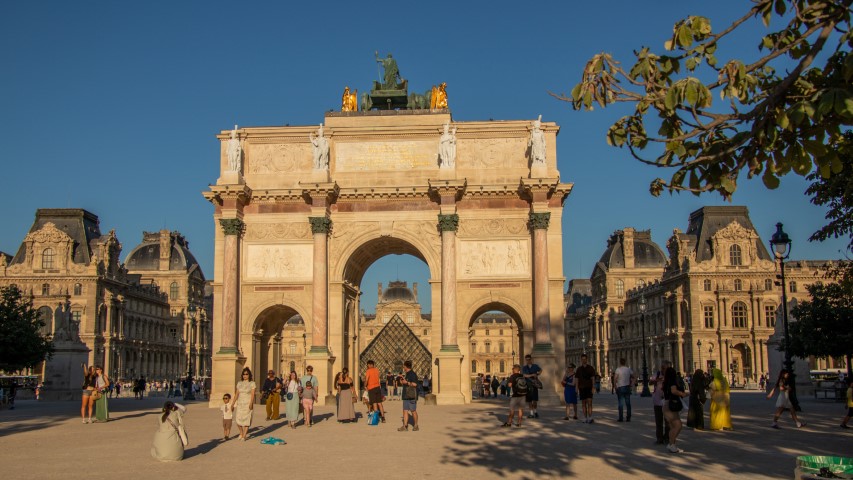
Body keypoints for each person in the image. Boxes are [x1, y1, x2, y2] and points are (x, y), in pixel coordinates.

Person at [663, 363, 688, 453]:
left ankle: (672, 444)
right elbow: (674, 391)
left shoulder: (665, 382)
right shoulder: (672, 381)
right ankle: (671, 444)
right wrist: (682, 394)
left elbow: (663, 394)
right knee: (678, 426)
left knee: (672, 426)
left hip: (666, 404)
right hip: (671, 406)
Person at [231, 367, 256, 441]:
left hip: (247, 403)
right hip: (240, 403)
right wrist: (232, 404)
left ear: (249, 375)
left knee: (247, 419)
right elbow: (236, 394)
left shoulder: (252, 383)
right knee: (238, 419)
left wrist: (251, 403)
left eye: (246, 374)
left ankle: (244, 435)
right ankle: (241, 433)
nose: (245, 375)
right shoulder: (239, 383)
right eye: (243, 374)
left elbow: (252, 394)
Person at [651, 363, 671, 444]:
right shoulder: (657, 374)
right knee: (658, 421)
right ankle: (659, 438)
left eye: (665, 368)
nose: (663, 370)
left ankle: (667, 437)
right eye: (662, 368)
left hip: (667, 401)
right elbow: (650, 382)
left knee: (668, 422)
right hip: (657, 401)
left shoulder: (670, 376)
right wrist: (657, 380)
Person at [398, 360, 420, 431]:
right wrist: (403, 381)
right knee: (405, 411)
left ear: (406, 366)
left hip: (412, 395)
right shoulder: (407, 374)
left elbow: (415, 384)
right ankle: (405, 426)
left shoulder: (412, 374)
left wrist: (406, 382)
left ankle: (416, 425)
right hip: (406, 395)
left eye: (404, 366)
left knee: (413, 411)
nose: (403, 368)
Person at [576, 354, 597, 424]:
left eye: (585, 359)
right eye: (582, 359)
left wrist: (593, 387)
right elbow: (577, 379)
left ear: (586, 360)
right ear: (581, 360)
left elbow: (593, 378)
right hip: (582, 388)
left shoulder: (590, 368)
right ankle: (585, 417)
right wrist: (576, 388)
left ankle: (590, 417)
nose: (583, 360)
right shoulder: (579, 369)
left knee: (590, 403)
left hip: (589, 387)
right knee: (583, 403)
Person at [614, 358, 634, 422]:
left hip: (620, 387)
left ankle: (621, 418)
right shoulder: (628, 369)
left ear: (620, 362)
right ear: (625, 362)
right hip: (627, 387)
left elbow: (615, 379)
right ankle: (628, 417)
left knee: (620, 403)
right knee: (628, 403)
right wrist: (631, 384)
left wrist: (615, 386)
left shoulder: (618, 369)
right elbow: (634, 376)